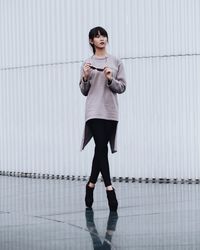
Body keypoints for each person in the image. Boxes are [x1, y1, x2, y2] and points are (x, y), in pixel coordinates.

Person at [79, 26, 126, 212]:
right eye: (97, 36)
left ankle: (91, 183)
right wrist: (85, 76)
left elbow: (122, 87)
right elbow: (84, 91)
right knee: (100, 147)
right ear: (91, 41)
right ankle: (109, 189)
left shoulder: (116, 61)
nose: (101, 39)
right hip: (93, 111)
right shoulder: (87, 63)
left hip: (110, 112)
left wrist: (109, 79)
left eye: (103, 35)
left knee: (100, 150)